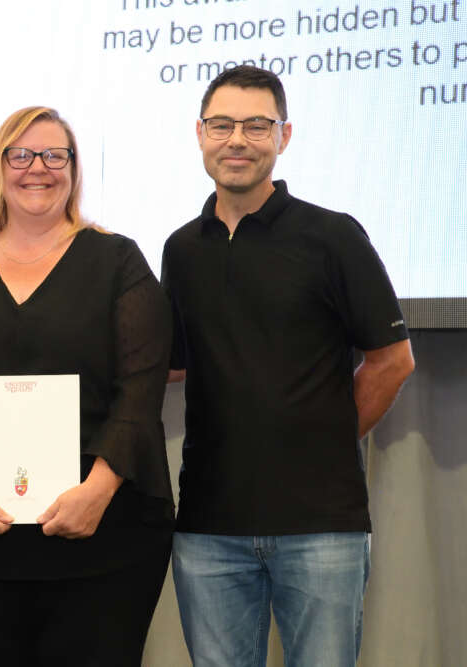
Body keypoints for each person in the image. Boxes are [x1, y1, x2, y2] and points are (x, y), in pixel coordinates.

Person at [0, 106, 174, 667]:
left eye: (54, 155)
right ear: (0, 168)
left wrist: (95, 492)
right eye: (20, 155)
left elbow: (139, 392)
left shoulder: (118, 260)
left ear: (73, 168)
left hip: (102, 534)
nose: (37, 168)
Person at [160, 65, 416, 667]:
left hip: (320, 525)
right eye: (222, 125)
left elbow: (392, 361)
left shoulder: (333, 237)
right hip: (207, 525)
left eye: (257, 125)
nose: (238, 140)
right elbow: (173, 367)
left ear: (285, 135)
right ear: (200, 133)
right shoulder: (181, 249)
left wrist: (322, 438)